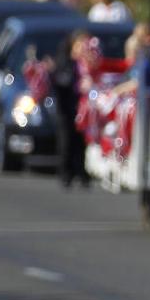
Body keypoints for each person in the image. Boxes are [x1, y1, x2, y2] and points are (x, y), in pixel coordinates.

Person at [54, 30, 89, 188]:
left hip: (84, 108)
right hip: (68, 107)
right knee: (67, 140)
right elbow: (61, 80)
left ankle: (82, 172)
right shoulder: (66, 62)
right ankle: (66, 172)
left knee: (82, 142)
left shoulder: (87, 64)